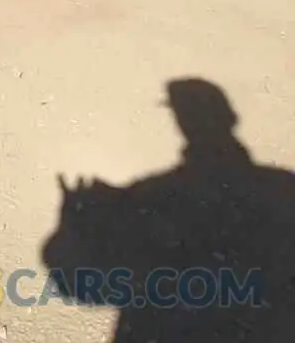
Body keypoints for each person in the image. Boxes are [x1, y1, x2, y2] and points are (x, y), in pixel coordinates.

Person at [40, 78, 295, 340]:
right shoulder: (282, 190)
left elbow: (85, 286)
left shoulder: (149, 198)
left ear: (180, 123)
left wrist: (76, 226)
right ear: (231, 116)